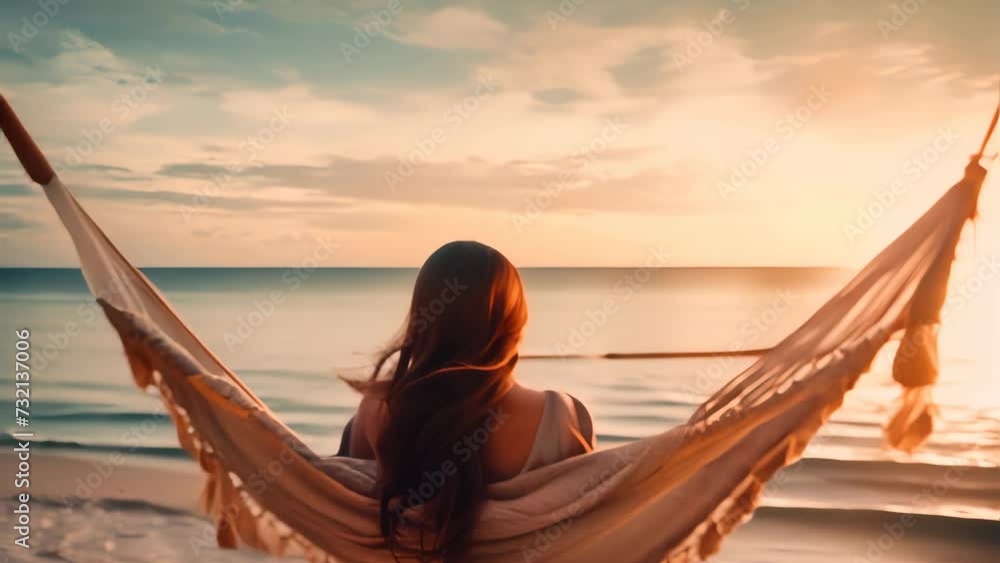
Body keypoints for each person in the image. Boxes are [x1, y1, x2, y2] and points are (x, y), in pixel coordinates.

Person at [339, 240, 595, 562]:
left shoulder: (378, 410)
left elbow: (348, 514)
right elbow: (589, 530)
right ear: (515, 321)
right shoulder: (559, 417)